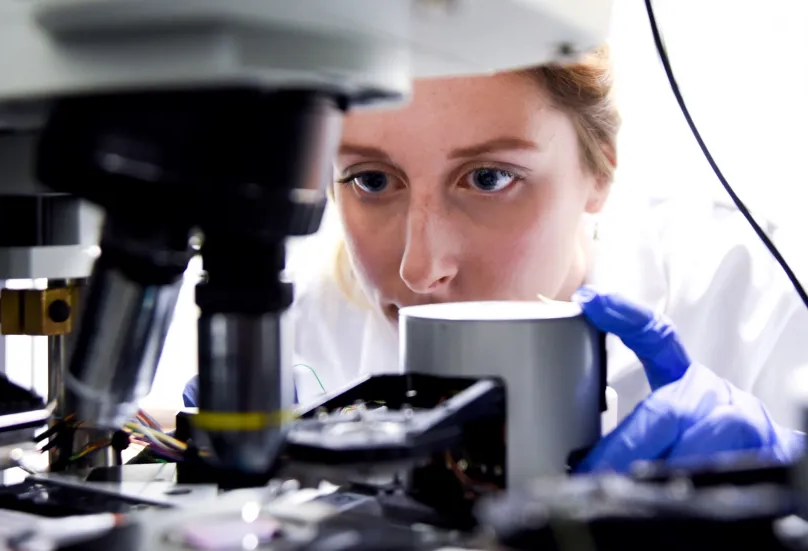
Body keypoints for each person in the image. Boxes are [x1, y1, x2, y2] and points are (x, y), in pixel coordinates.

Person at [184, 47, 806, 472]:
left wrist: (791, 474)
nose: (419, 271)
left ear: (600, 169)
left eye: (487, 177)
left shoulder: (751, 295)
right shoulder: (306, 326)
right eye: (371, 181)